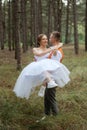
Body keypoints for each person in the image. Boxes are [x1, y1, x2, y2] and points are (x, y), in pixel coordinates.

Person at [13, 33, 70, 100]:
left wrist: (58, 46)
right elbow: (39, 54)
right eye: (43, 39)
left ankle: (44, 87)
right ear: (39, 41)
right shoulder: (35, 49)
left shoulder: (49, 49)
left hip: (46, 69)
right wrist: (52, 48)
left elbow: (57, 50)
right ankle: (47, 84)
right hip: (38, 67)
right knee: (42, 66)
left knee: (46, 69)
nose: (46, 40)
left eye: (46, 39)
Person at [44, 31, 67, 117]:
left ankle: (55, 115)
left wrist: (48, 77)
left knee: (51, 97)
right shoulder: (54, 49)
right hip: (50, 76)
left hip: (53, 77)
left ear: (55, 39)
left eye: (50, 37)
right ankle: (47, 114)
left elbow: (54, 66)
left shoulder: (57, 52)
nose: (49, 39)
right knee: (47, 96)